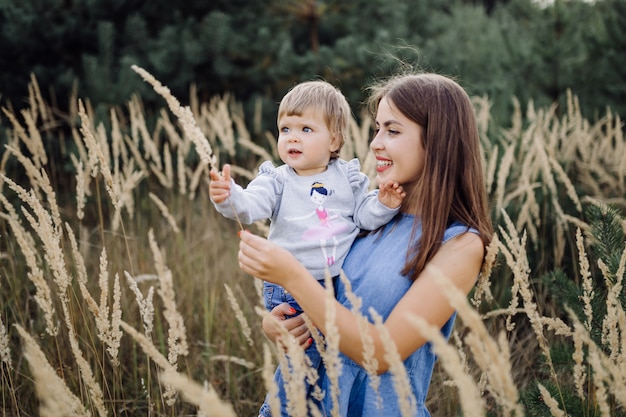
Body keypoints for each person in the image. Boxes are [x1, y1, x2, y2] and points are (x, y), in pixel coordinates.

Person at [237, 72, 494, 416]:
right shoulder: (367, 214)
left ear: (436, 141)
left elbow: (381, 354)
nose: (375, 143)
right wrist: (277, 325)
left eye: (392, 130)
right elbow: (327, 302)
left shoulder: (459, 245)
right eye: (377, 129)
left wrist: (291, 276)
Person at [208, 80, 405, 417]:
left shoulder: (348, 178)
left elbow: (365, 215)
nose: (292, 137)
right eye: (285, 128)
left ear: (334, 140)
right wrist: (230, 196)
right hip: (290, 289)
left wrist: (385, 204)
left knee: (332, 365)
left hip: (334, 286)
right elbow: (251, 206)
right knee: (304, 365)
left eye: (305, 128)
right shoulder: (278, 180)